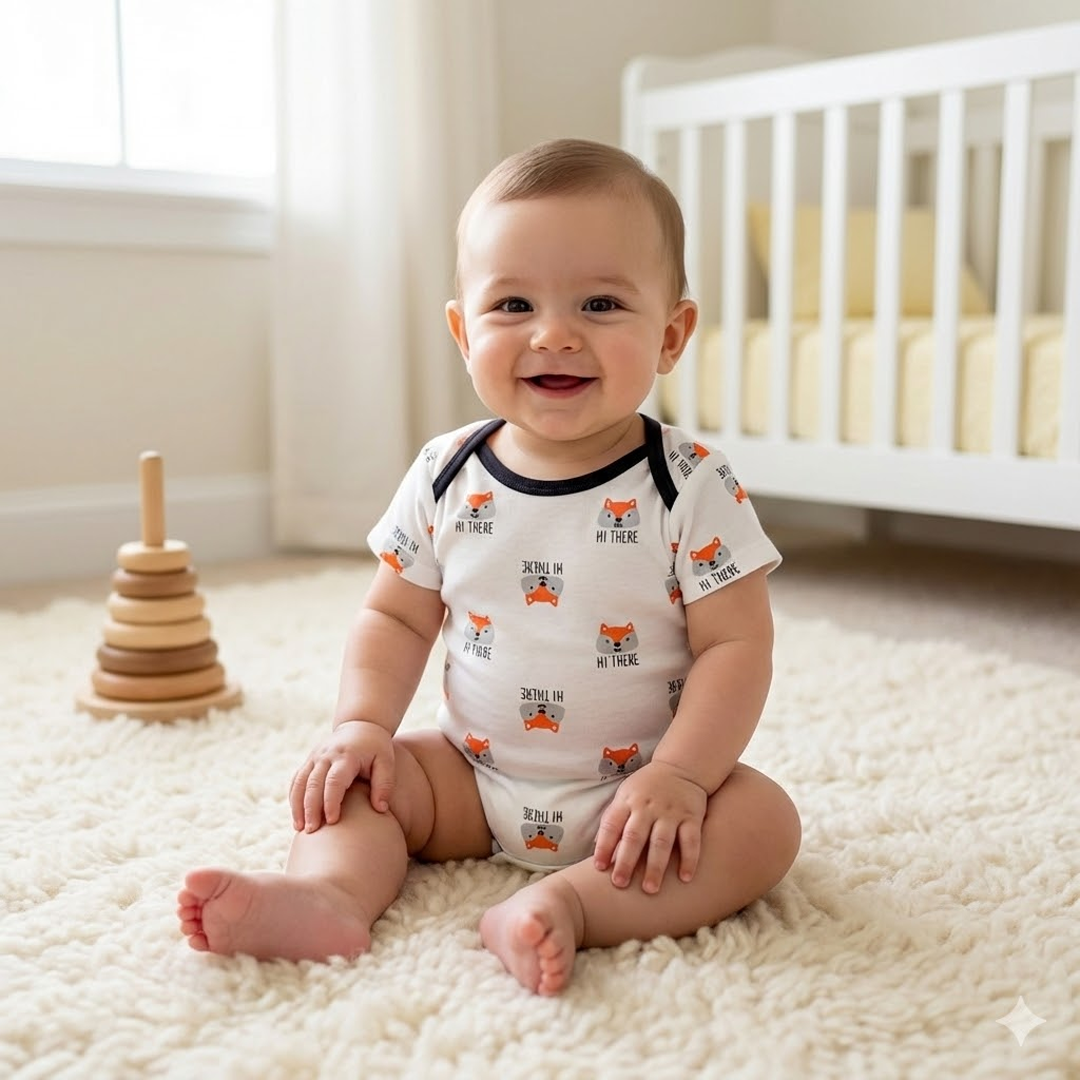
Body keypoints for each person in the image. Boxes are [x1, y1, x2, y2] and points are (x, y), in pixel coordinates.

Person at [176, 138, 801, 995]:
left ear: (671, 334)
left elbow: (738, 646)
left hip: (637, 795)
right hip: (471, 775)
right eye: (513, 303)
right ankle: (327, 895)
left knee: (763, 824)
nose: (554, 333)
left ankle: (575, 906)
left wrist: (682, 777)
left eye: (600, 303)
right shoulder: (444, 471)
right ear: (464, 332)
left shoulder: (689, 484)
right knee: (365, 780)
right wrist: (360, 723)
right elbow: (396, 617)